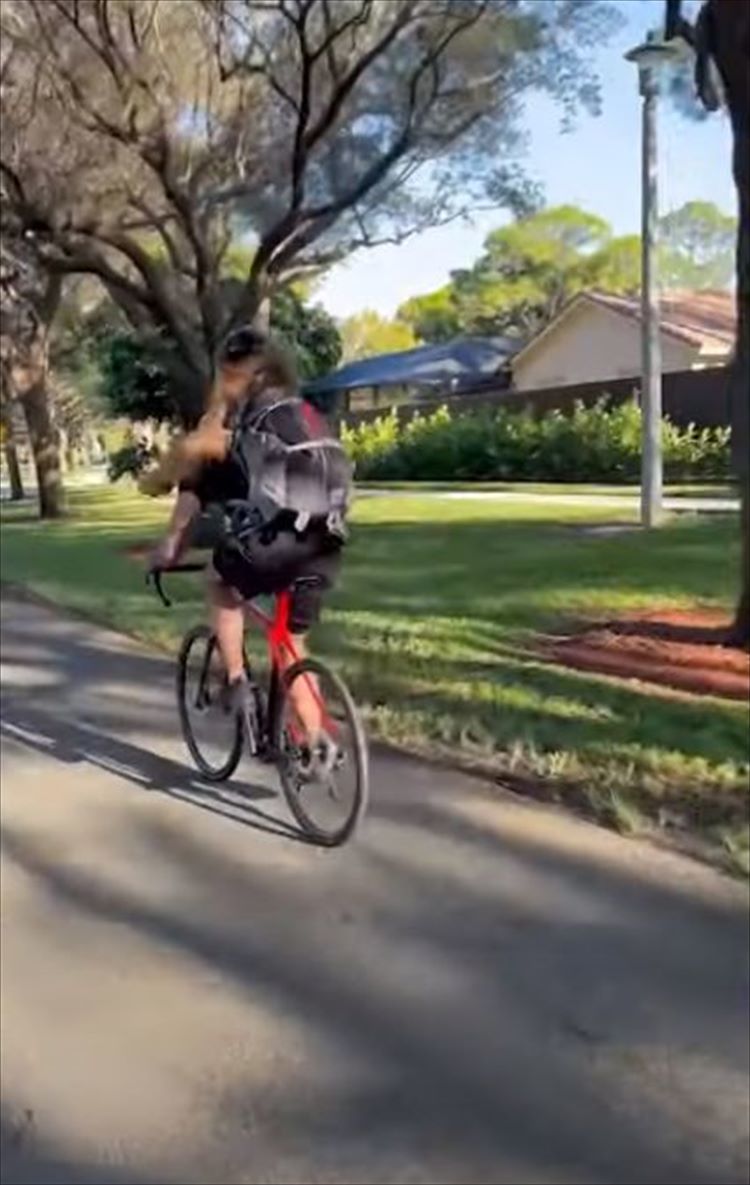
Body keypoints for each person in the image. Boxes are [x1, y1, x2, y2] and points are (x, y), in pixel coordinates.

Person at [147, 325, 349, 751]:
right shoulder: (307, 415)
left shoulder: (239, 427)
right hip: (327, 543)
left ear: (233, 373)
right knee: (292, 641)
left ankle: (236, 680)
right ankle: (316, 746)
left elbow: (193, 486)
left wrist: (170, 546)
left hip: (278, 543)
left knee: (221, 581)